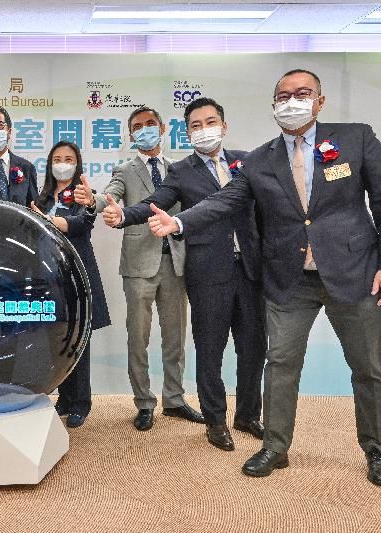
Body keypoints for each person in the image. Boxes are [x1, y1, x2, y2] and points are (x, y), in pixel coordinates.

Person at [147, 69, 381, 487]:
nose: (292, 102)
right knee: (281, 364)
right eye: (283, 96)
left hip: (354, 274)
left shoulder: (355, 138)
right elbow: (224, 200)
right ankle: (275, 446)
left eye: (302, 94)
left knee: (368, 369)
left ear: (319, 101)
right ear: (273, 106)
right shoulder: (259, 159)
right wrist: (177, 224)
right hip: (290, 281)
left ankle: (377, 451)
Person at [94, 98, 266, 451]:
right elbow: (154, 201)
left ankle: (248, 414)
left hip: (249, 269)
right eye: (197, 125)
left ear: (225, 125)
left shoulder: (247, 161)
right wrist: (125, 216)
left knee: (253, 348)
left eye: (211, 121)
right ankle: (216, 421)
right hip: (207, 270)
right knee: (209, 349)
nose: (205, 130)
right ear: (187, 133)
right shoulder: (182, 172)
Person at [73, 106, 203, 432]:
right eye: (137, 126)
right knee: (138, 339)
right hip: (138, 265)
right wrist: (93, 201)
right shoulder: (125, 169)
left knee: (175, 338)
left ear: (161, 128)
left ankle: (174, 399)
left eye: (149, 124)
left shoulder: (180, 168)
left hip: (175, 262)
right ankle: (144, 403)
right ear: (130, 135)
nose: (144, 129)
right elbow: (110, 197)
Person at [30, 141, 111, 428]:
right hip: (50, 277)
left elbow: (81, 225)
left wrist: (50, 220)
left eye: (69, 159)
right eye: (57, 159)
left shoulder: (82, 193)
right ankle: (63, 397)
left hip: (77, 272)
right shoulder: (42, 196)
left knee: (79, 340)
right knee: (57, 338)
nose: (62, 163)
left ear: (77, 164)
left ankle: (81, 402)